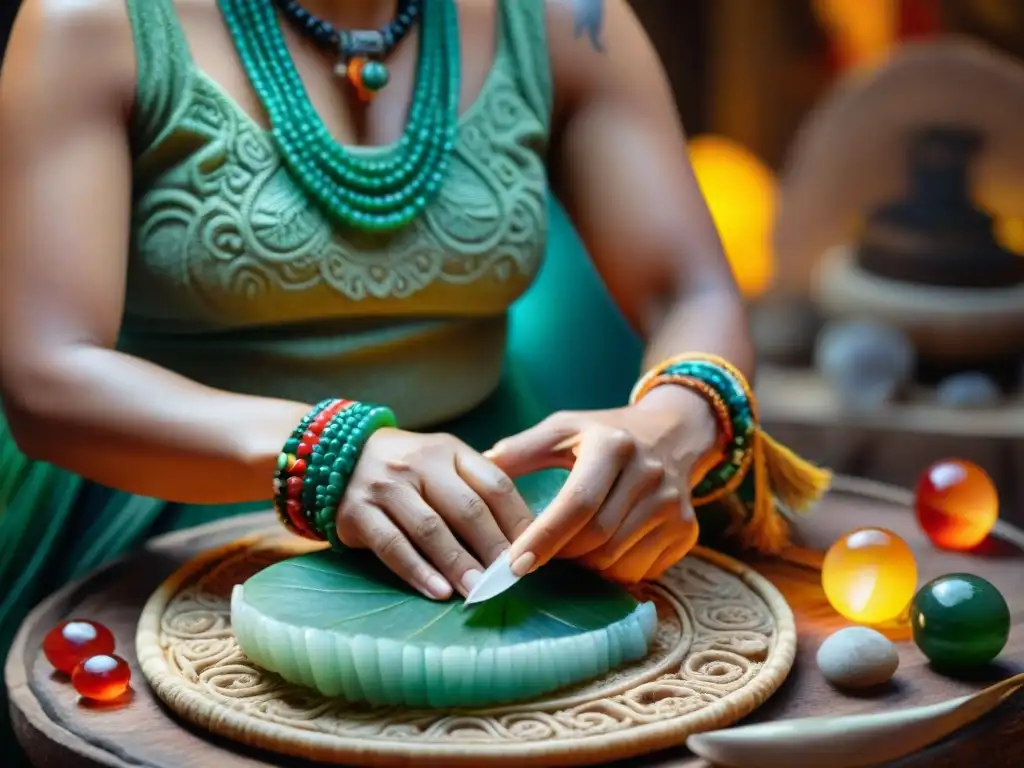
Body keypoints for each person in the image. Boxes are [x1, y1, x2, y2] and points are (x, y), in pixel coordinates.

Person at [0, 0, 826, 760]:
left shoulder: (566, 19)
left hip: (494, 523)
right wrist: (328, 453)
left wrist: (675, 422)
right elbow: (46, 375)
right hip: (157, 498)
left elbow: (693, 291)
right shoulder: (94, 18)